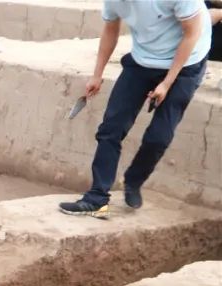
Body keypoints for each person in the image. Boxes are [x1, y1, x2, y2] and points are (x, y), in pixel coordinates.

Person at [59, 1, 211, 218]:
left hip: (187, 63)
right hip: (142, 60)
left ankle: (134, 179)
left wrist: (167, 83)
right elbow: (110, 30)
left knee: (158, 137)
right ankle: (96, 199)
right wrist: (97, 74)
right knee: (110, 129)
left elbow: (192, 33)